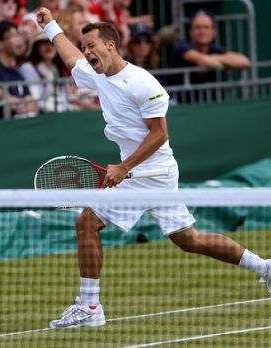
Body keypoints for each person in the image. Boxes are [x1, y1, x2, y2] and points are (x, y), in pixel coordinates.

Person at [36, 7, 271, 329]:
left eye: (91, 45)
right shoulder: (96, 73)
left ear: (111, 46)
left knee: (86, 223)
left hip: (147, 172)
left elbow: (160, 133)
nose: (86, 51)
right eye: (84, 45)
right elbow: (70, 58)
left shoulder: (141, 82)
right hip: (153, 173)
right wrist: (50, 25)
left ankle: (90, 307)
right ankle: (265, 268)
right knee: (190, 240)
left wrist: (124, 167)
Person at [169, 9, 251, 86]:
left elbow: (244, 61)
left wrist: (215, 60)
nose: (202, 31)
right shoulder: (182, 47)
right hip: (171, 99)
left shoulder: (214, 48)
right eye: (197, 27)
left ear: (214, 32)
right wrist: (225, 62)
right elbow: (206, 61)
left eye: (206, 27)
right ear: (190, 31)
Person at [0, 20, 38, 118]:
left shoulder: (17, 72)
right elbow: (3, 97)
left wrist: (26, 104)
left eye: (18, 35)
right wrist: (23, 104)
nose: (19, 39)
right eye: (12, 36)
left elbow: (29, 98)